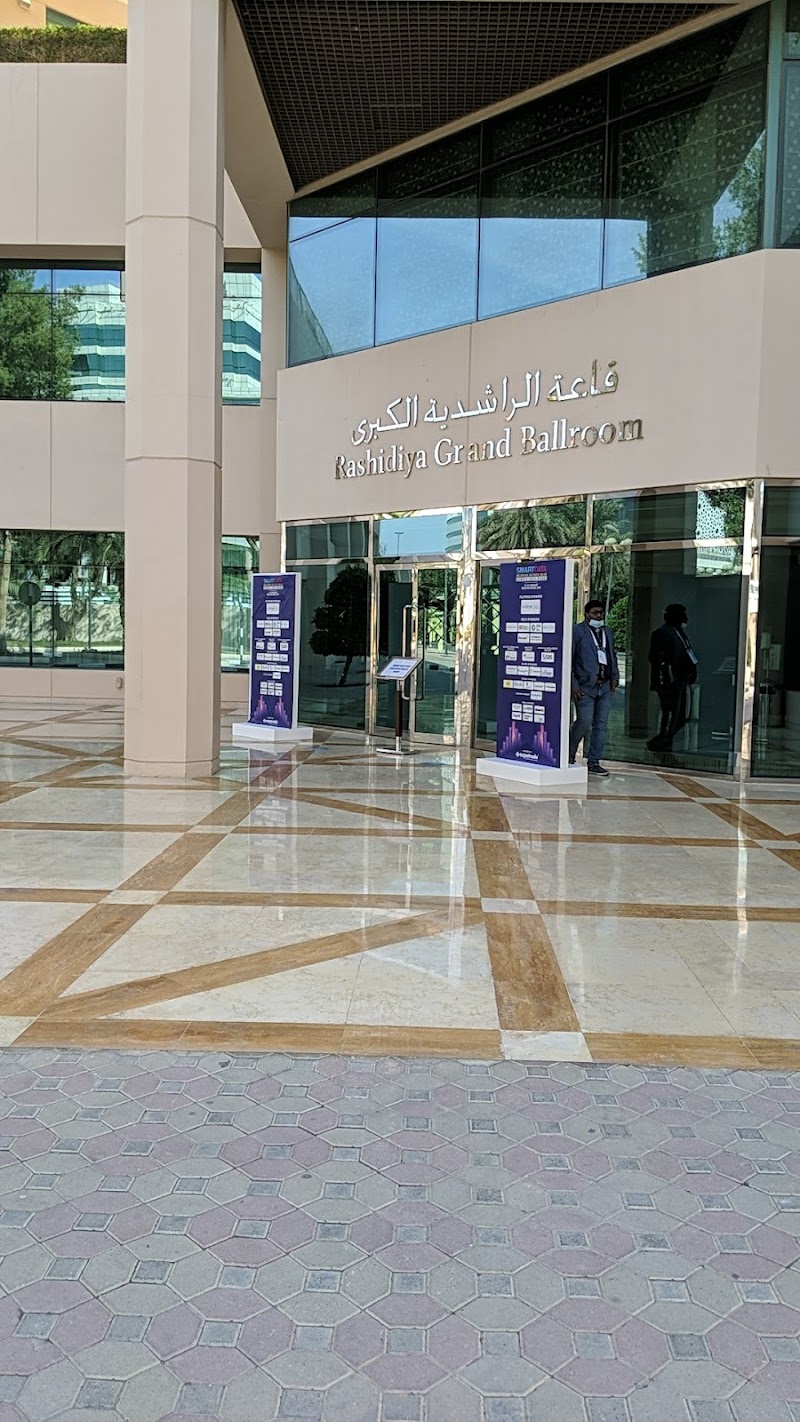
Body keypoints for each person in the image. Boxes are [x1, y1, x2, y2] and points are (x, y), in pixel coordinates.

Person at [569, 597, 619, 775]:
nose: (598, 616)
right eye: (595, 613)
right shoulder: (577, 632)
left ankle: (594, 761)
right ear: (586, 614)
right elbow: (570, 659)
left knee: (601, 725)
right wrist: (573, 685)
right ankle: (568, 754)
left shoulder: (608, 632)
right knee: (584, 721)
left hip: (604, 685)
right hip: (585, 686)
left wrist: (615, 677)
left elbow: (612, 655)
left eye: (601, 613)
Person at [647, 602, 698, 753]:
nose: (686, 617)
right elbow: (656, 658)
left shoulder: (679, 632)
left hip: (680, 679)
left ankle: (666, 738)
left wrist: (692, 670)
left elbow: (688, 652)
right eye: (683, 614)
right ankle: (663, 739)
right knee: (670, 711)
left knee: (679, 714)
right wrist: (662, 680)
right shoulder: (661, 633)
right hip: (669, 680)